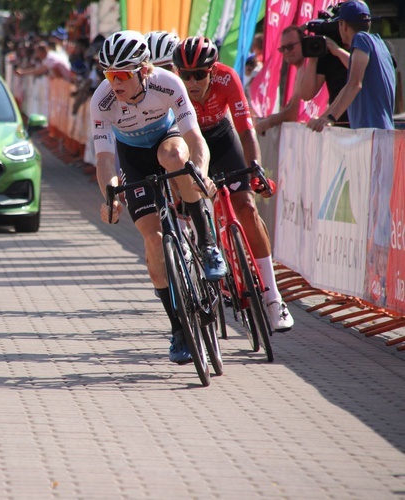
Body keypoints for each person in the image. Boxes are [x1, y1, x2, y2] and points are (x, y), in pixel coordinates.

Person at [89, 31, 227, 364]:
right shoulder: (102, 101)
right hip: (132, 157)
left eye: (122, 75)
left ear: (144, 71)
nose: (115, 83)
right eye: (109, 75)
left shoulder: (168, 83)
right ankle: (178, 329)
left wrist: (202, 172)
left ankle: (207, 245)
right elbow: (106, 159)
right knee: (152, 239)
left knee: (175, 159)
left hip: (168, 140)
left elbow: (195, 139)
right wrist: (109, 196)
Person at [173, 36, 295, 333]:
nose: (192, 82)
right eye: (186, 75)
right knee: (194, 201)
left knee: (247, 209)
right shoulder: (173, 90)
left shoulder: (228, 79)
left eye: (199, 75)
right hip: (192, 143)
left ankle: (273, 298)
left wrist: (256, 170)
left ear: (212, 70)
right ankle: (217, 262)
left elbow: (246, 131)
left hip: (223, 138)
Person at [307, 0, 396, 131]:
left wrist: (331, 119)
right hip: (383, 133)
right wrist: (324, 118)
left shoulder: (361, 39)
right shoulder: (380, 44)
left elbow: (354, 84)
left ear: (343, 25)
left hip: (371, 134)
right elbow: (348, 87)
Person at [255, 26, 306, 135]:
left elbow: (293, 112)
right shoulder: (301, 69)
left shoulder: (307, 67)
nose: (286, 51)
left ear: (304, 43)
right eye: (283, 49)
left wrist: (268, 122)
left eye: (290, 46)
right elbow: (290, 107)